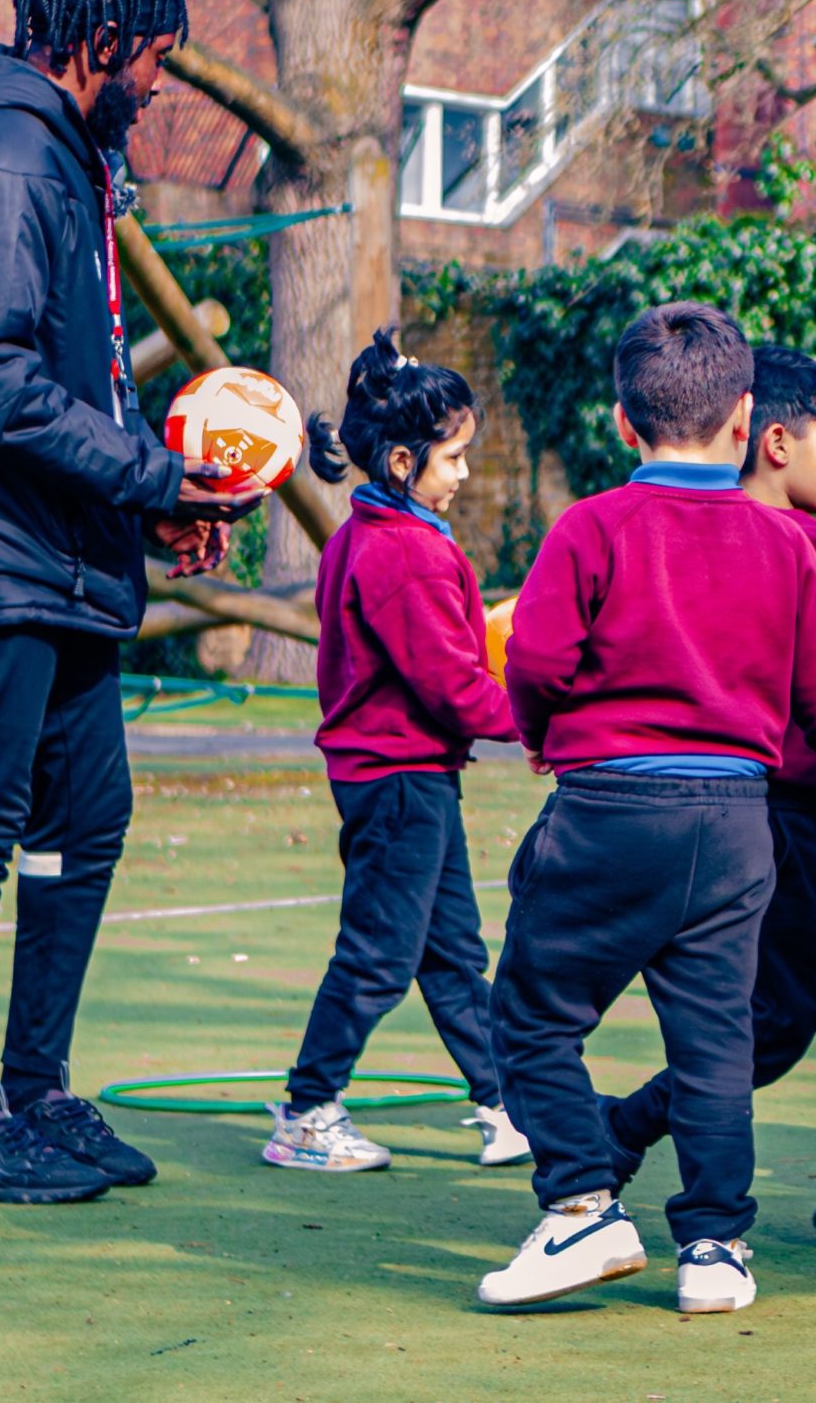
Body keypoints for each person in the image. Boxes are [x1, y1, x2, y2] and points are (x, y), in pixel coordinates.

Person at [0, 0, 248, 1205]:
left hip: (60, 555)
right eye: (153, 60)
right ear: (97, 44)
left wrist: (155, 500)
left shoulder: (63, 158)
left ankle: (31, 1092)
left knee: (86, 819)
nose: (160, 87)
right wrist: (148, 477)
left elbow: (74, 373)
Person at [479, 304, 816, 1316]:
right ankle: (714, 1249)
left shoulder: (591, 527)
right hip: (740, 820)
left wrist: (538, 732)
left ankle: (580, 1204)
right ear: (746, 420)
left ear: (623, 422)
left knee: (530, 1015)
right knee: (715, 1044)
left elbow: (533, 660)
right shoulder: (785, 546)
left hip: (612, 807)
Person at [603, 346, 816, 1247]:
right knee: (769, 1025)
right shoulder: (812, 558)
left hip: (800, 819)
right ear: (773, 440)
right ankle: (620, 1129)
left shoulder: (719, 537)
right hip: (764, 818)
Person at [262, 332, 529, 1174]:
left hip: (415, 775)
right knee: (379, 953)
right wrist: (543, 722)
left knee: (452, 951)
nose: (464, 472)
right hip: (398, 778)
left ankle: (504, 1103)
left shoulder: (379, 532)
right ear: (406, 461)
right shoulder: (400, 551)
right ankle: (306, 1111)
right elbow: (452, 686)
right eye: (454, 457)